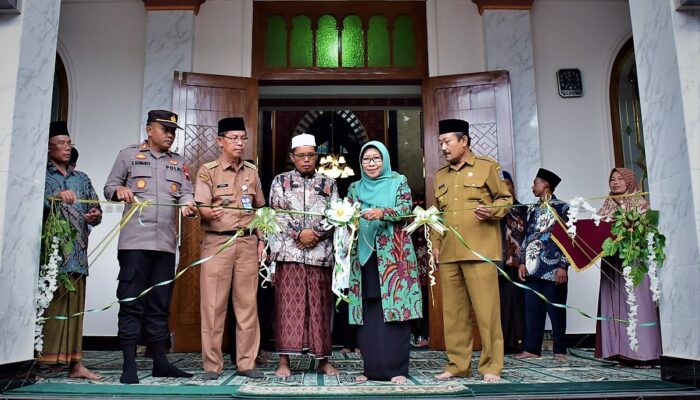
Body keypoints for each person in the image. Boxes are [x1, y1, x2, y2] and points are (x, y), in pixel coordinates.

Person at [104, 110, 196, 384]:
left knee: (160, 305)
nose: (170, 135)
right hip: (134, 245)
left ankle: (160, 362)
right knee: (131, 303)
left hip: (166, 245)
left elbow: (186, 192)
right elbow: (110, 186)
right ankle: (128, 365)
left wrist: (189, 204)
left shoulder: (178, 163)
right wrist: (119, 191)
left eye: (173, 131)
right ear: (149, 130)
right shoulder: (129, 155)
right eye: (164, 129)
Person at [431, 119, 512, 383]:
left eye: (447, 141)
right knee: (453, 314)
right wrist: (435, 243)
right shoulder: (440, 176)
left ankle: (491, 366)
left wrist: (491, 210)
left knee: (487, 312)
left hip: (480, 251)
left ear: (464, 141)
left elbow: (506, 200)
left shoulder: (488, 168)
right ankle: (457, 364)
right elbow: (436, 215)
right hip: (449, 253)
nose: (443, 147)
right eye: (440, 142)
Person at [195, 117, 266, 380]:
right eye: (234, 138)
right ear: (220, 141)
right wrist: (207, 212)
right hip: (217, 242)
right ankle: (212, 366)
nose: (239, 143)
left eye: (243, 138)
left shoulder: (251, 171)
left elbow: (260, 209)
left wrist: (261, 241)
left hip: (247, 243)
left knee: (247, 305)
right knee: (213, 306)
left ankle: (247, 363)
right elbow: (199, 205)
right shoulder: (208, 170)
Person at [347, 141, 422, 384]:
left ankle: (396, 370)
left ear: (385, 160)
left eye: (376, 158)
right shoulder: (354, 188)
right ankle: (371, 369)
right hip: (364, 256)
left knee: (395, 313)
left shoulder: (398, 182)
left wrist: (381, 212)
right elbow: (345, 215)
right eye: (366, 159)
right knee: (368, 315)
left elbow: (406, 209)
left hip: (394, 258)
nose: (371, 163)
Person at [268, 133, 339, 378]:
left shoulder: (329, 183)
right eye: (301, 156)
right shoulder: (280, 181)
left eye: (311, 155)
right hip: (290, 254)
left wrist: (316, 233)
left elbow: (337, 213)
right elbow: (276, 213)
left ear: (316, 156)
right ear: (292, 157)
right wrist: (299, 233)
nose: (306, 160)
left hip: (320, 255)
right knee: (287, 307)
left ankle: (323, 360)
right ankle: (284, 362)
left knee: (321, 308)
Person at [38, 122, 102, 380]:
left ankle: (76, 365)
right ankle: (42, 362)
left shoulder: (81, 178)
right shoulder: (41, 176)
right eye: (61, 143)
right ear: (49, 147)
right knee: (50, 308)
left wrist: (95, 215)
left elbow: (96, 208)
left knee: (75, 311)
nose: (67, 148)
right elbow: (31, 203)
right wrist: (54, 198)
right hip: (50, 256)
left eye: (69, 143)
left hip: (77, 254)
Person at [595, 168, 661, 367]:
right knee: (615, 305)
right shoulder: (608, 204)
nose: (615, 183)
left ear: (630, 181)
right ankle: (618, 351)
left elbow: (649, 230)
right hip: (612, 263)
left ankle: (644, 353)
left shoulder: (641, 204)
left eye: (620, 179)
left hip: (634, 263)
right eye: (612, 179)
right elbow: (598, 227)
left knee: (637, 305)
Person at [517, 168, 570, 361]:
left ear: (545, 184)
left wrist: (563, 266)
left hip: (554, 268)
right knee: (532, 311)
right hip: (532, 268)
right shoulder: (533, 209)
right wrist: (522, 262)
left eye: (535, 182)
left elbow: (570, 238)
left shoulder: (562, 208)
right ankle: (532, 349)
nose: (533, 186)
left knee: (556, 311)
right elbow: (527, 237)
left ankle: (560, 350)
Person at [498, 171, 526, 354]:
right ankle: (501, 343)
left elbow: (528, 236)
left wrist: (523, 260)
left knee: (518, 304)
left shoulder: (522, 209)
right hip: (496, 263)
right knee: (500, 305)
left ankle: (519, 342)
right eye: (501, 184)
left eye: (507, 184)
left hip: (517, 264)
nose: (505, 187)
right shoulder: (493, 210)